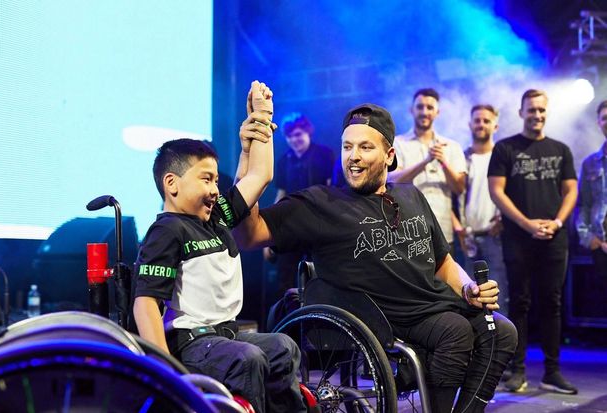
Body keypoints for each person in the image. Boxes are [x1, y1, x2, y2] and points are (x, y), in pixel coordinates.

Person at [234, 102, 517, 413]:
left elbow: (443, 262)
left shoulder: (411, 196)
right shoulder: (321, 203)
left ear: (389, 156)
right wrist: (250, 155)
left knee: (502, 331)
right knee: (455, 330)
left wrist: (468, 289)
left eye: (365, 147)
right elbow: (247, 235)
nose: (353, 156)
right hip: (381, 317)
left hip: (433, 306)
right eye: (347, 146)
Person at [132, 81, 306, 413]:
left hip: (227, 337)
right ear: (172, 184)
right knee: (249, 358)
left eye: (215, 180)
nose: (215, 189)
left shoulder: (217, 219)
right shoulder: (166, 231)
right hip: (193, 345)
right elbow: (145, 304)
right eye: (206, 179)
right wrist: (164, 374)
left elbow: (260, 174)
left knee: (283, 347)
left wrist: (261, 114)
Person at [488, 89, 578, 394]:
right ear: (521, 112)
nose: (536, 115)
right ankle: (518, 371)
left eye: (541, 110)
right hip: (518, 238)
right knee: (520, 303)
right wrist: (527, 225)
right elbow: (496, 192)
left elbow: (571, 191)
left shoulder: (561, 149)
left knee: (552, 303)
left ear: (546, 113)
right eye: (531, 110)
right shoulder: (504, 148)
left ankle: (552, 372)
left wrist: (556, 222)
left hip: (554, 237)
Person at [266, 113, 335, 300]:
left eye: (298, 134)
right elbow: (280, 194)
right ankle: (288, 323)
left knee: (320, 277)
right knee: (286, 279)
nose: (294, 140)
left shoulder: (324, 154)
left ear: (307, 132)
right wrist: (269, 232)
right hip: (291, 225)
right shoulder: (283, 161)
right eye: (290, 136)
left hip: (319, 224)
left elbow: (332, 189)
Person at [389, 88, 467, 250]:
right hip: (409, 230)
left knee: (447, 275)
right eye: (420, 107)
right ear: (412, 110)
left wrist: (443, 161)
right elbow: (392, 181)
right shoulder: (398, 143)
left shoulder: (451, 146)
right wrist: (426, 161)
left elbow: (459, 188)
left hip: (443, 230)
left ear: (437, 112)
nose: (424, 112)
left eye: (430, 108)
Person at [454, 104, 508, 316]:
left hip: (496, 237)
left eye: (486, 120)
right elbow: (451, 195)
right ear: (470, 124)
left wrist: (504, 219)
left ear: (495, 125)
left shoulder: (504, 155)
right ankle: (476, 348)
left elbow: (514, 193)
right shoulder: (461, 157)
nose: (481, 124)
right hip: (467, 238)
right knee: (468, 297)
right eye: (477, 120)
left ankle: (502, 347)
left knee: (499, 297)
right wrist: (459, 227)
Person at [576, 99, 607, 277]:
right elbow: (583, 204)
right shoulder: (590, 163)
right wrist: (588, 238)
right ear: (599, 123)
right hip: (601, 245)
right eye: (605, 118)